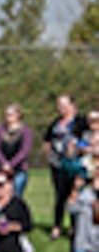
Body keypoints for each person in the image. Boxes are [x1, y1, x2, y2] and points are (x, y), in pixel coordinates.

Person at [47, 95, 85, 238]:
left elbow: (87, 139)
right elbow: (48, 138)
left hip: (75, 164)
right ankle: (57, 226)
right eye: (59, 105)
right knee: (60, 195)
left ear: (72, 105)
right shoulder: (56, 123)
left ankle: (74, 227)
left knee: (74, 195)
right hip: (57, 164)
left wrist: (77, 146)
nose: (61, 108)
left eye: (64, 105)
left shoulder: (81, 122)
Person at [0, 104, 34, 199]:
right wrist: (4, 163)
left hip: (19, 169)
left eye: (11, 114)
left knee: (16, 196)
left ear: (18, 115)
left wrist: (11, 165)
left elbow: (25, 150)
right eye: (6, 114)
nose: (8, 116)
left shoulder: (25, 131)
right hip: (0, 168)